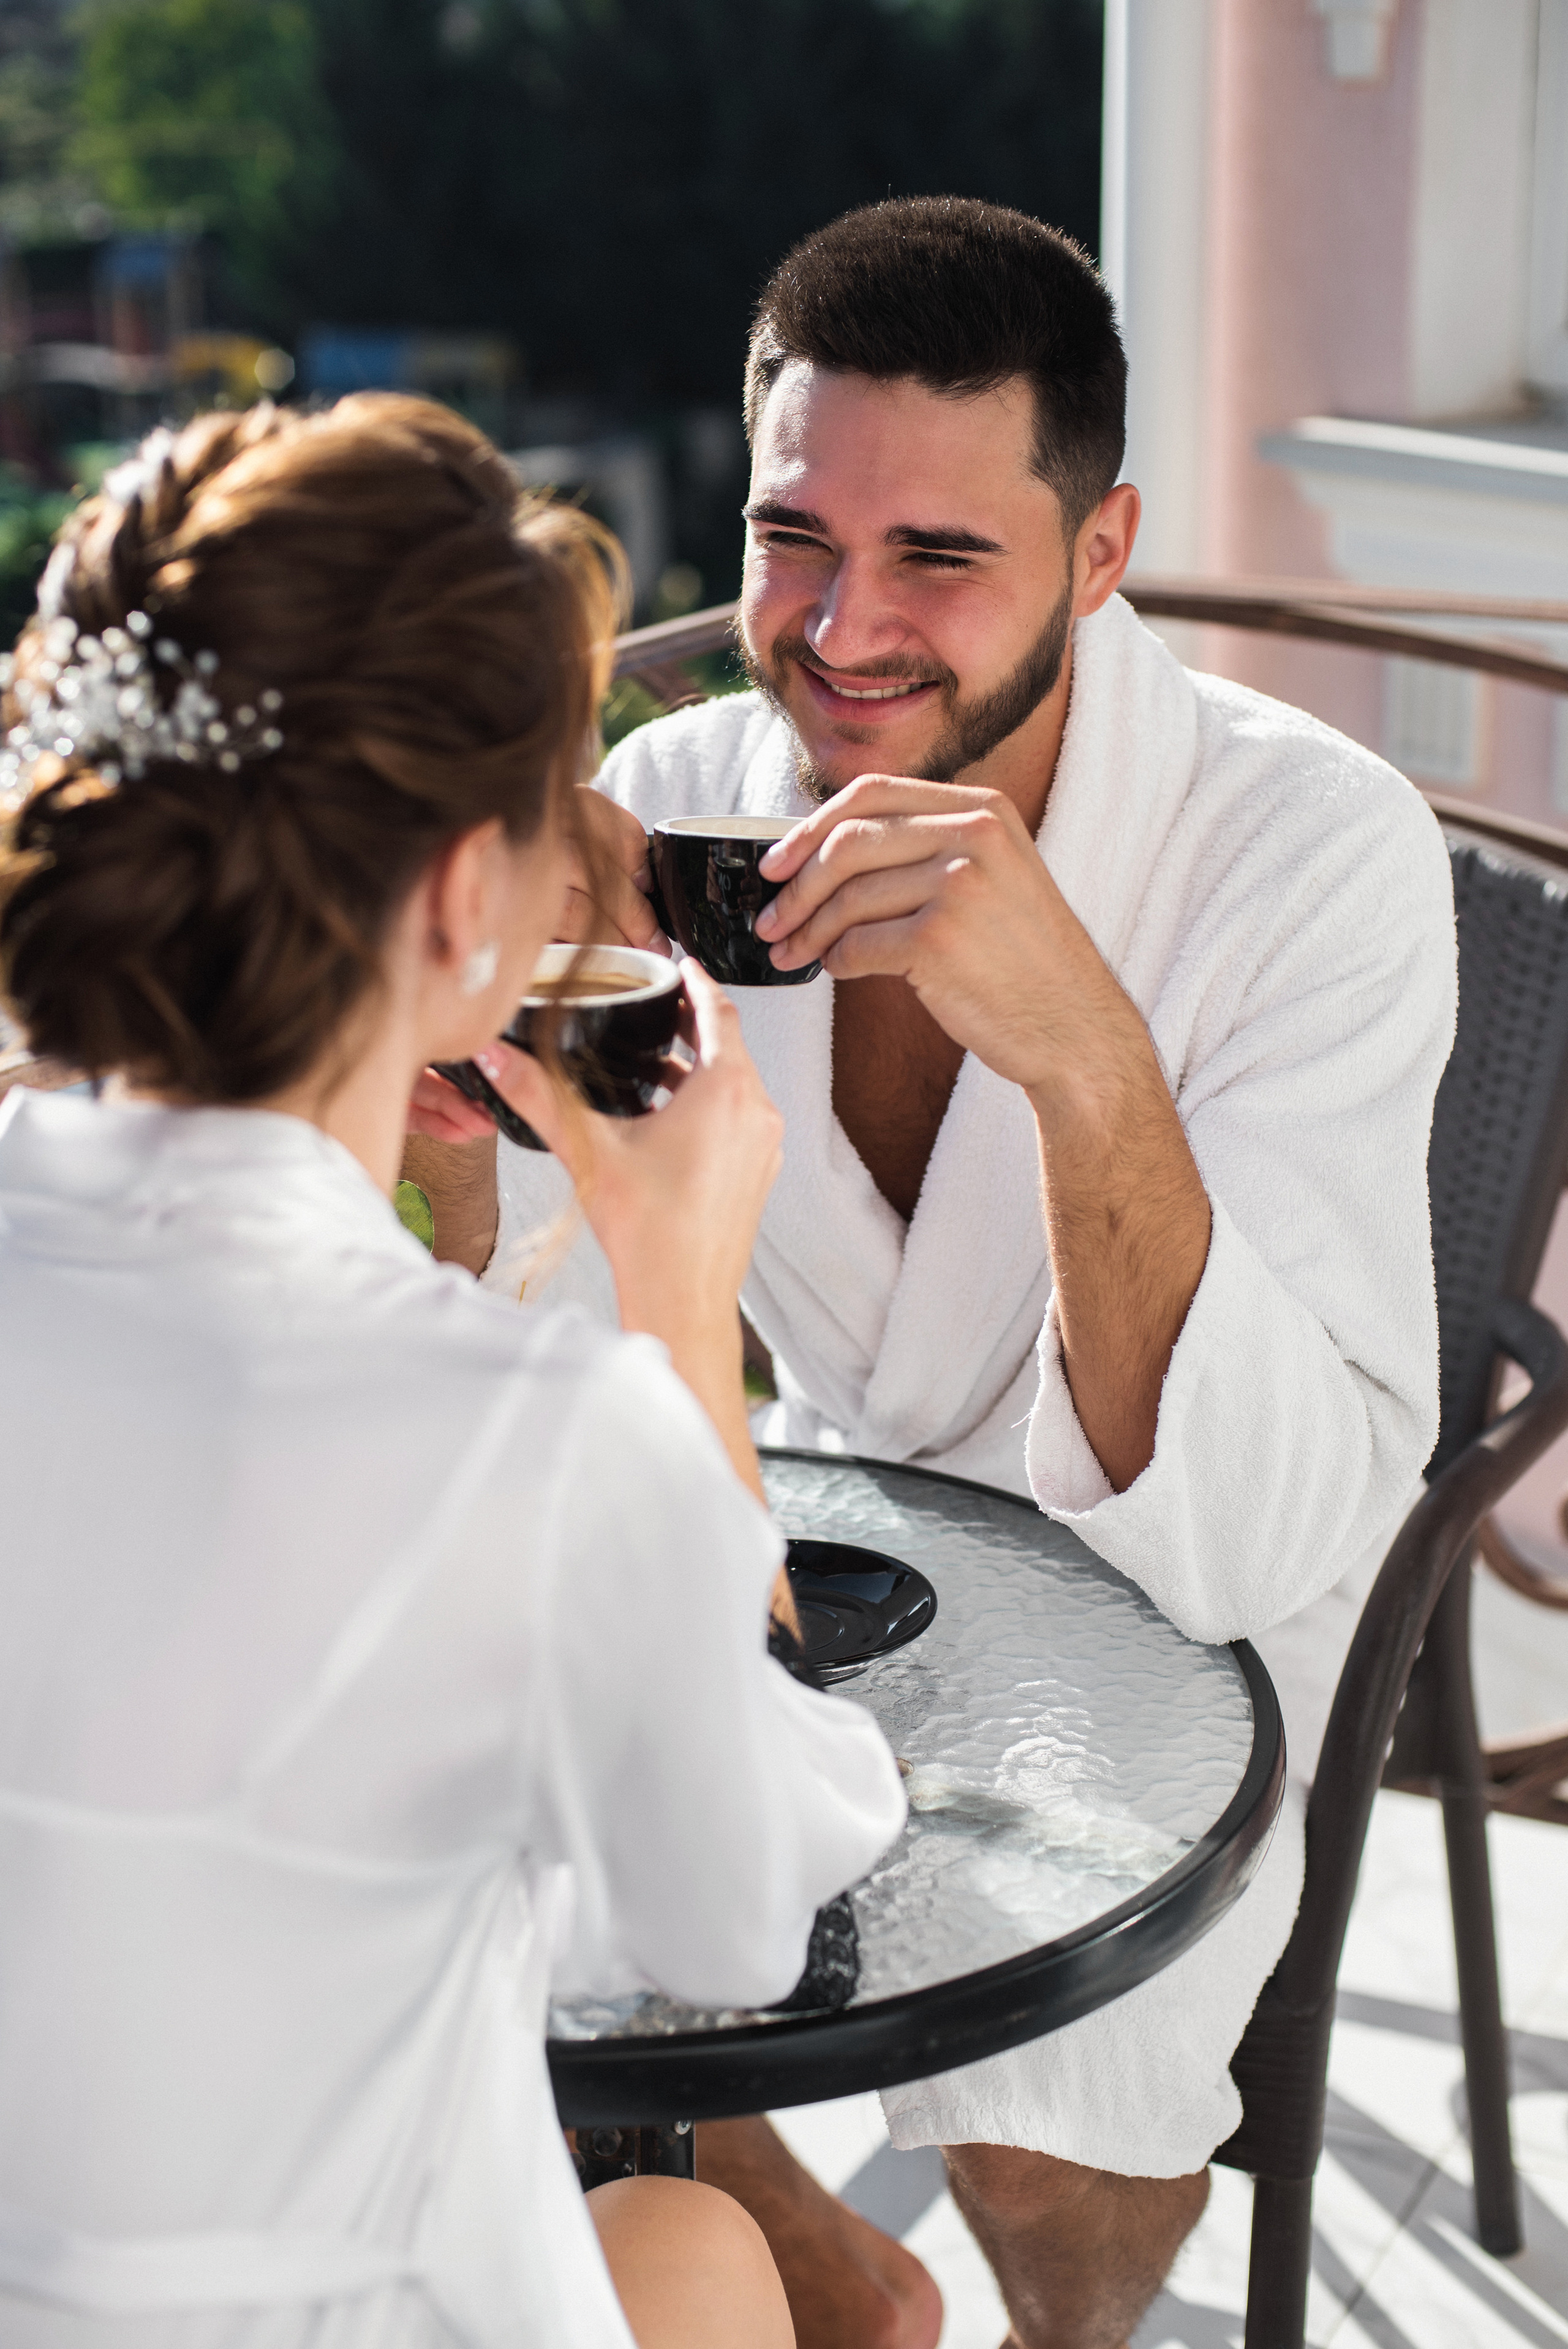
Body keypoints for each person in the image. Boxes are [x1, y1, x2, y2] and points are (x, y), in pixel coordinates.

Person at [413, 199, 1459, 2349]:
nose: (842, 628)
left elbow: (1270, 1508)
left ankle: (1072, 2336)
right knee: (526, 1886)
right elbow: (517, 1304)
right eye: (796, 539)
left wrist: (1076, 1040)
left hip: (1210, 1568)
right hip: (841, 1521)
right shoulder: (680, 799)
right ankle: (835, 2277)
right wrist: (453, 1107)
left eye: (943, 560)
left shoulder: (1313, 854)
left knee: (1064, 2077)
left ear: (1100, 550)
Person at [0, 395, 908, 2347]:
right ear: (451, 899)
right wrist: (679, 1297)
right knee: (708, 2268)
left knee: (695, 2257)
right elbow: (739, 1917)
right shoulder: (513, 1442)